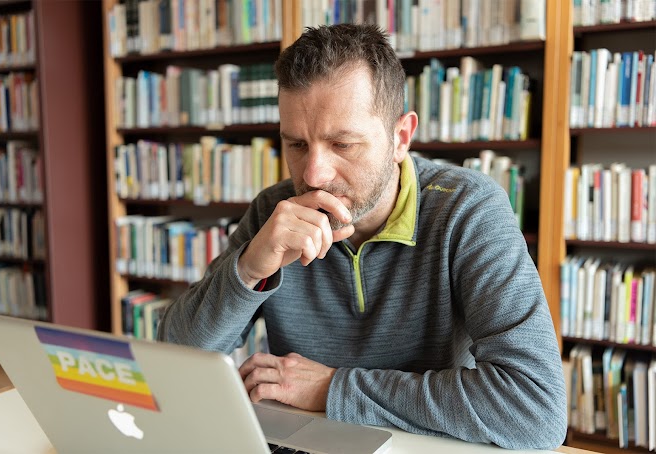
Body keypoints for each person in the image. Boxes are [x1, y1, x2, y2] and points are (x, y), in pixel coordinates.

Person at [158, 23, 567, 449]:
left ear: (400, 138)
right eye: (297, 145)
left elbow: (535, 408)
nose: (313, 174)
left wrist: (333, 388)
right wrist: (248, 268)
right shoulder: (272, 211)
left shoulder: (468, 209)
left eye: (343, 144)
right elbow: (174, 364)